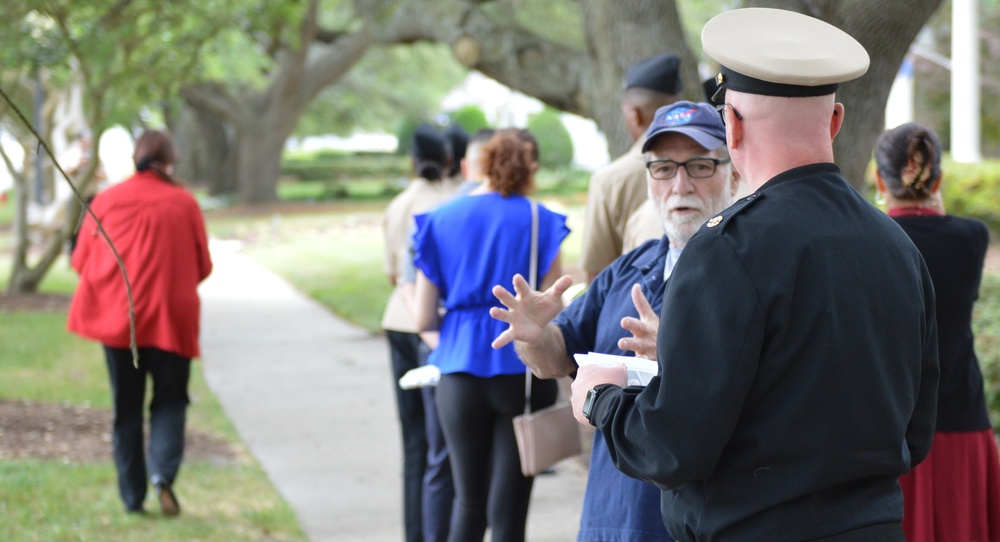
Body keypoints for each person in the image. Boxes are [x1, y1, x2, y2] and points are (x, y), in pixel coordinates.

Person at [570, 8, 940, 540]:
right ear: (835, 120)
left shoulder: (726, 248)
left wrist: (601, 400)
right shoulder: (897, 245)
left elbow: (673, 447)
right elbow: (917, 431)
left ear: (733, 125)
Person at [490, 101, 740, 542]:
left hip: (695, 523)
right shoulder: (630, 268)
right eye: (663, 168)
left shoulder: (747, 274)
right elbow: (556, 357)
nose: (680, 184)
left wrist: (678, 353)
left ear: (733, 173)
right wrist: (534, 337)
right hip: (610, 517)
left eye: (700, 166)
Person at [412, 128, 570, 542]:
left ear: (480, 163)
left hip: (458, 370)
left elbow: (424, 317)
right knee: (510, 512)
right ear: (528, 167)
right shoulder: (541, 219)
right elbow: (551, 306)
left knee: (468, 503)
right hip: (522, 370)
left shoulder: (439, 219)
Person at [67, 130, 212, 516]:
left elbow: (80, 262)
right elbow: (203, 265)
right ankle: (162, 476)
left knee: (126, 409)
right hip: (171, 320)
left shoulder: (107, 200)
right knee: (171, 401)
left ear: (137, 159)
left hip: (121, 322)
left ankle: (133, 498)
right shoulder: (184, 202)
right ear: (170, 162)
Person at [873, 123, 1000, 542]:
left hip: (892, 429)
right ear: (938, 178)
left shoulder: (872, 238)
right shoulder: (972, 237)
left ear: (880, 181)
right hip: (962, 420)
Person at [382, 123, 462, 542]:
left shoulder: (397, 205)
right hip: (432, 326)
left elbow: (393, 273)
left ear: (412, 162)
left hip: (396, 321)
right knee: (441, 446)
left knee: (413, 441)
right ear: (449, 160)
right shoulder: (449, 204)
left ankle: (414, 533)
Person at [579, 54, 683, 282]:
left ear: (634, 115)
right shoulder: (717, 167)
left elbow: (597, 275)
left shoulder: (609, 180)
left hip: (634, 297)